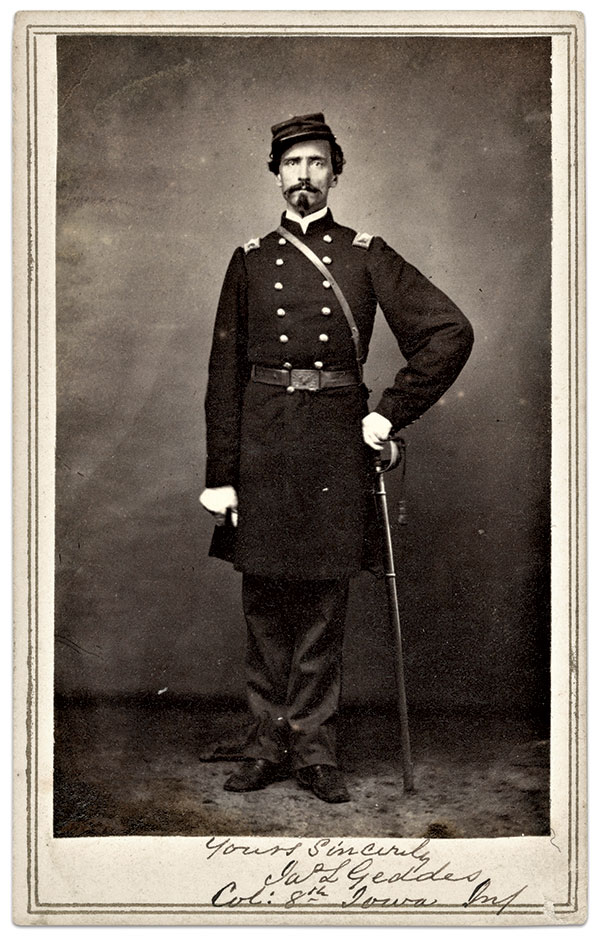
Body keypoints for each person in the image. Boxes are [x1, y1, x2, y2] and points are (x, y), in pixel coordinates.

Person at [200, 113, 473, 803]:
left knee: (323, 601)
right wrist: (221, 474)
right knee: (263, 599)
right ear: (275, 173)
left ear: (335, 171)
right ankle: (266, 743)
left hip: (332, 445)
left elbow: (448, 331)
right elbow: (224, 372)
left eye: (317, 163)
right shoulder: (250, 258)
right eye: (291, 163)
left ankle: (316, 749)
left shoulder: (364, 252)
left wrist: (387, 410)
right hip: (263, 443)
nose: (303, 176)